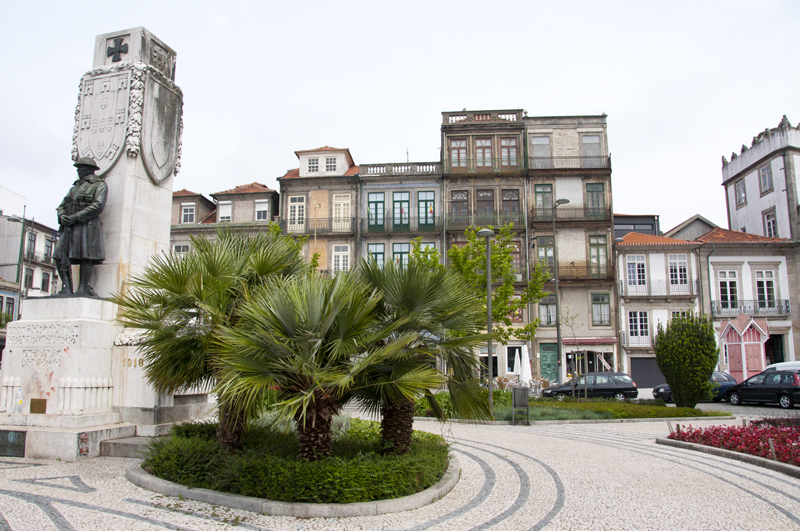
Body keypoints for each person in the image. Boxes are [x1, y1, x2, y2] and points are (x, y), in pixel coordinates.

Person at [54, 157, 108, 296]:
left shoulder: (99, 185)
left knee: (86, 255)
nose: (78, 171)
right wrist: (62, 215)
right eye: (78, 168)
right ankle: (66, 287)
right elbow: (61, 206)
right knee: (59, 255)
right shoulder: (74, 188)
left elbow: (98, 205)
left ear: (90, 170)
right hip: (69, 226)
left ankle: (83, 288)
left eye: (81, 168)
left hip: (87, 225)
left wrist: (76, 217)